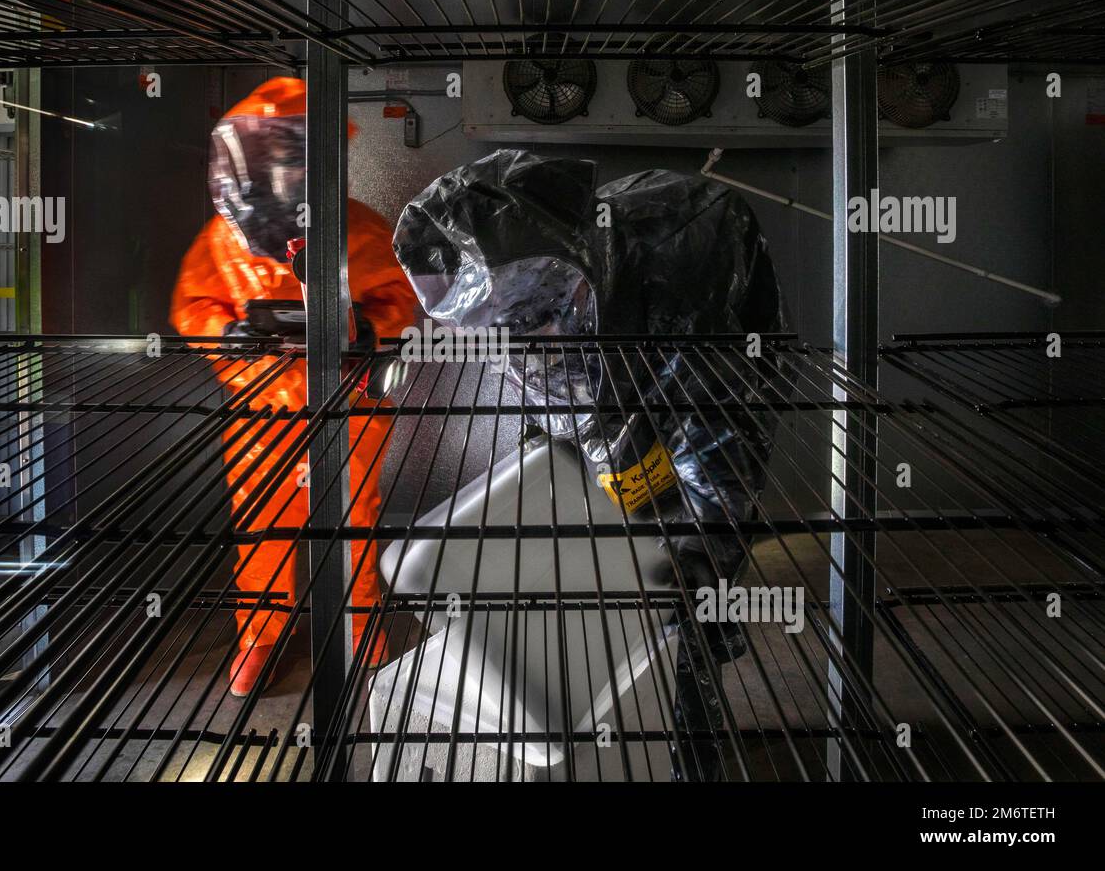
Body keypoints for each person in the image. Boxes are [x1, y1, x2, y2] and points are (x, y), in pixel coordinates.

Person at [391, 149, 788, 780]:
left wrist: (700, 558)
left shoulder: (683, 266)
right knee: (626, 504)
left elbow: (719, 435)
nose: (525, 337)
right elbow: (558, 397)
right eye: (512, 326)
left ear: (569, 274)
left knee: (690, 574)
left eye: (538, 315)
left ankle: (695, 716)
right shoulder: (511, 299)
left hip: (701, 360)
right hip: (617, 343)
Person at [171, 77, 417, 696]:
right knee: (261, 526)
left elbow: (399, 300)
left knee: (354, 517)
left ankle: (361, 622)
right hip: (263, 412)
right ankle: (260, 635)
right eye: (269, 154)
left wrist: (369, 336)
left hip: (349, 404)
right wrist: (229, 335)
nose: (278, 169)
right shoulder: (222, 240)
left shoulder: (359, 230)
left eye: (290, 154)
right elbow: (192, 305)